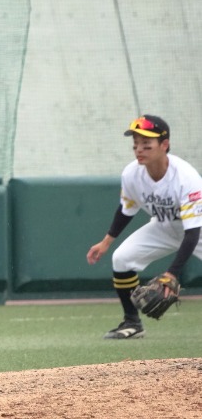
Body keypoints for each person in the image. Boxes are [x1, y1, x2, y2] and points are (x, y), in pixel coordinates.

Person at [86, 115, 202, 339]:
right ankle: (132, 323)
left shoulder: (186, 178)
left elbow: (192, 232)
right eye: (136, 144)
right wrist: (106, 242)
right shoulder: (131, 174)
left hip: (197, 229)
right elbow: (126, 209)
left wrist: (172, 273)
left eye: (146, 145)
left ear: (164, 145)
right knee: (122, 259)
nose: (139, 149)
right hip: (164, 226)